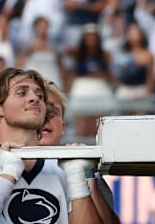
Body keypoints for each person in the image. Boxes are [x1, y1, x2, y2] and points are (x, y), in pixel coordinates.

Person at [0, 67, 104, 224]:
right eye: (21, 93)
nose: (35, 98)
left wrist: (76, 177)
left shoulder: (64, 167)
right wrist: (9, 174)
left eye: (40, 95)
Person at [40, 81, 121, 224]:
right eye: (40, 111)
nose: (46, 118)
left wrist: (88, 177)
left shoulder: (83, 166)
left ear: (63, 127)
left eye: (52, 112)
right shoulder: (4, 166)